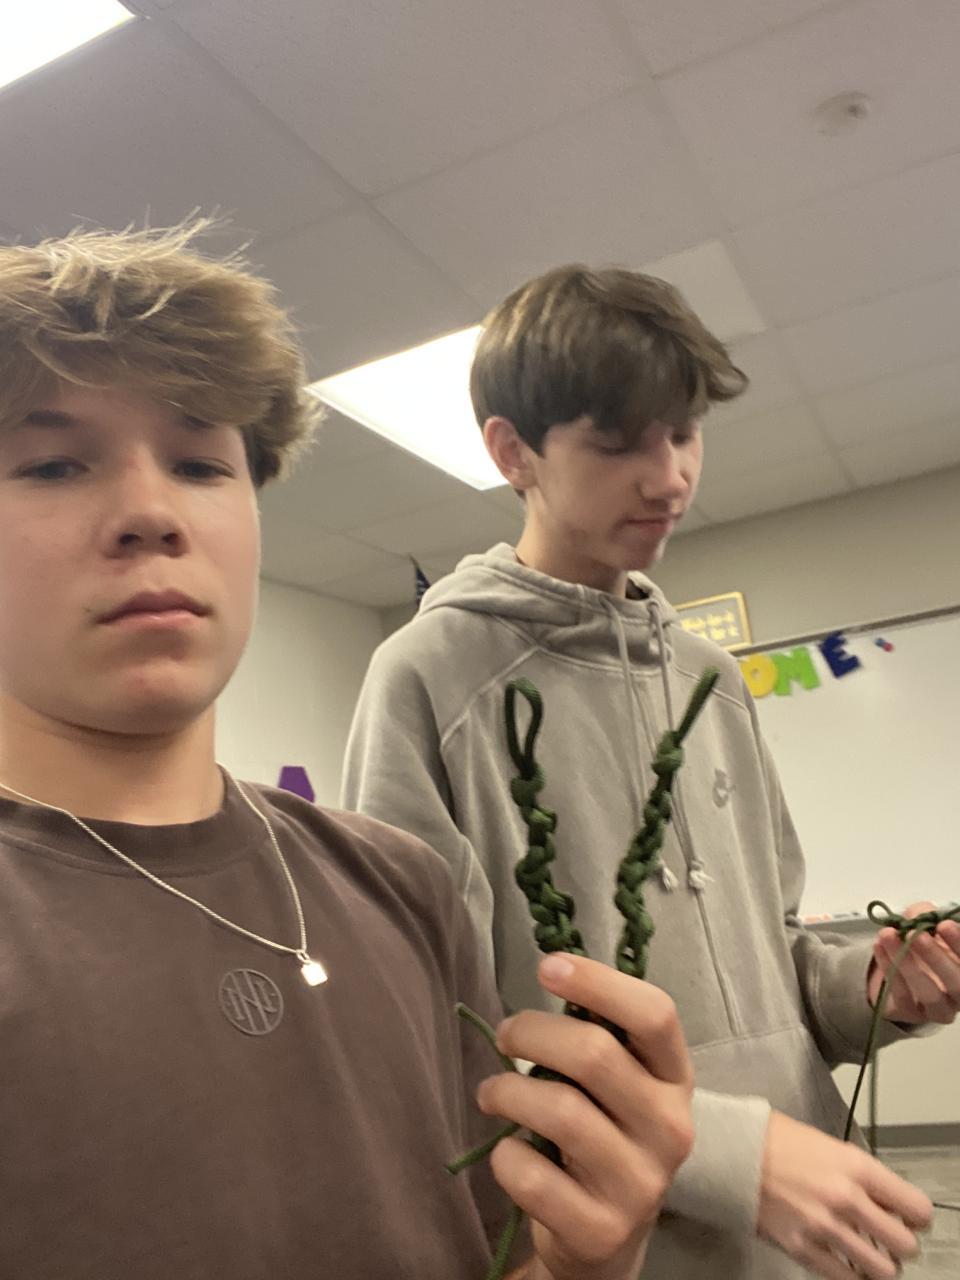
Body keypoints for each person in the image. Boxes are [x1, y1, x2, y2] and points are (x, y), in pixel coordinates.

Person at [0, 226, 698, 1280]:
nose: (150, 512)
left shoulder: (399, 884)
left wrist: (590, 1260)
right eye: (54, 463)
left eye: (199, 463)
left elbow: (504, 1257)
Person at [342, 265, 957, 1280]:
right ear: (512, 451)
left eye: (684, 432)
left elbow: (776, 967)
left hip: (810, 1229)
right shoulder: (430, 679)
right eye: (620, 441)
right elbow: (432, 1034)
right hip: (611, 1252)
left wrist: (874, 987)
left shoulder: (714, 680)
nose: (669, 476)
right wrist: (724, 1155)